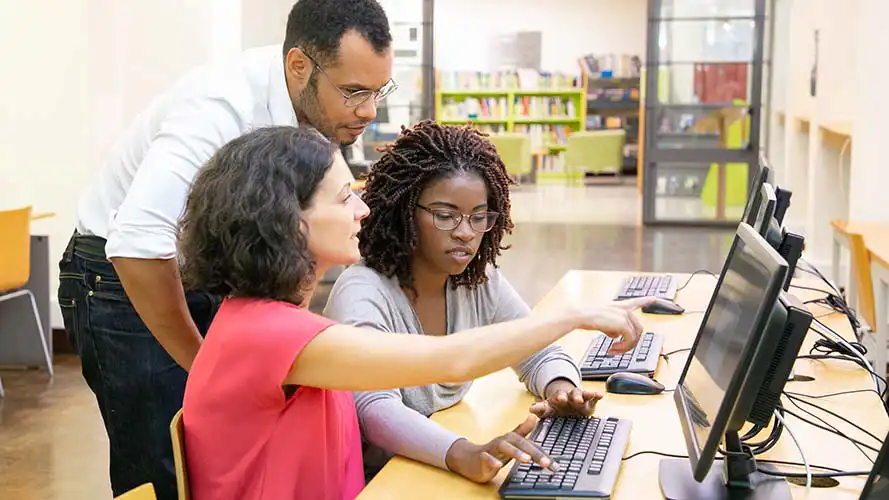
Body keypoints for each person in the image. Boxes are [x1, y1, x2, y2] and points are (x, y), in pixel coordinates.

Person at [179, 125, 652, 500]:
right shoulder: (269, 333)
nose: (363, 209)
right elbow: (450, 360)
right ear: (287, 218)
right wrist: (570, 316)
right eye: (345, 197)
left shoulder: (267, 320)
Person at [55, 1, 395, 497]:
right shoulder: (221, 105)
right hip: (119, 276)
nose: (369, 111)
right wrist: (207, 368)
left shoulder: (312, 106)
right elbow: (136, 243)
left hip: (193, 272)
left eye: (378, 91)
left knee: (221, 454)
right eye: (354, 92)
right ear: (299, 65)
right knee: (165, 468)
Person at [322, 120, 602, 483]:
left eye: (478, 217)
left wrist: (562, 390)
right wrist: (462, 453)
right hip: (379, 478)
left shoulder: (477, 280)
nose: (466, 233)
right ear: (405, 212)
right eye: (445, 216)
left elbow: (538, 351)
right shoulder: (362, 291)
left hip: (441, 468)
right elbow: (373, 407)